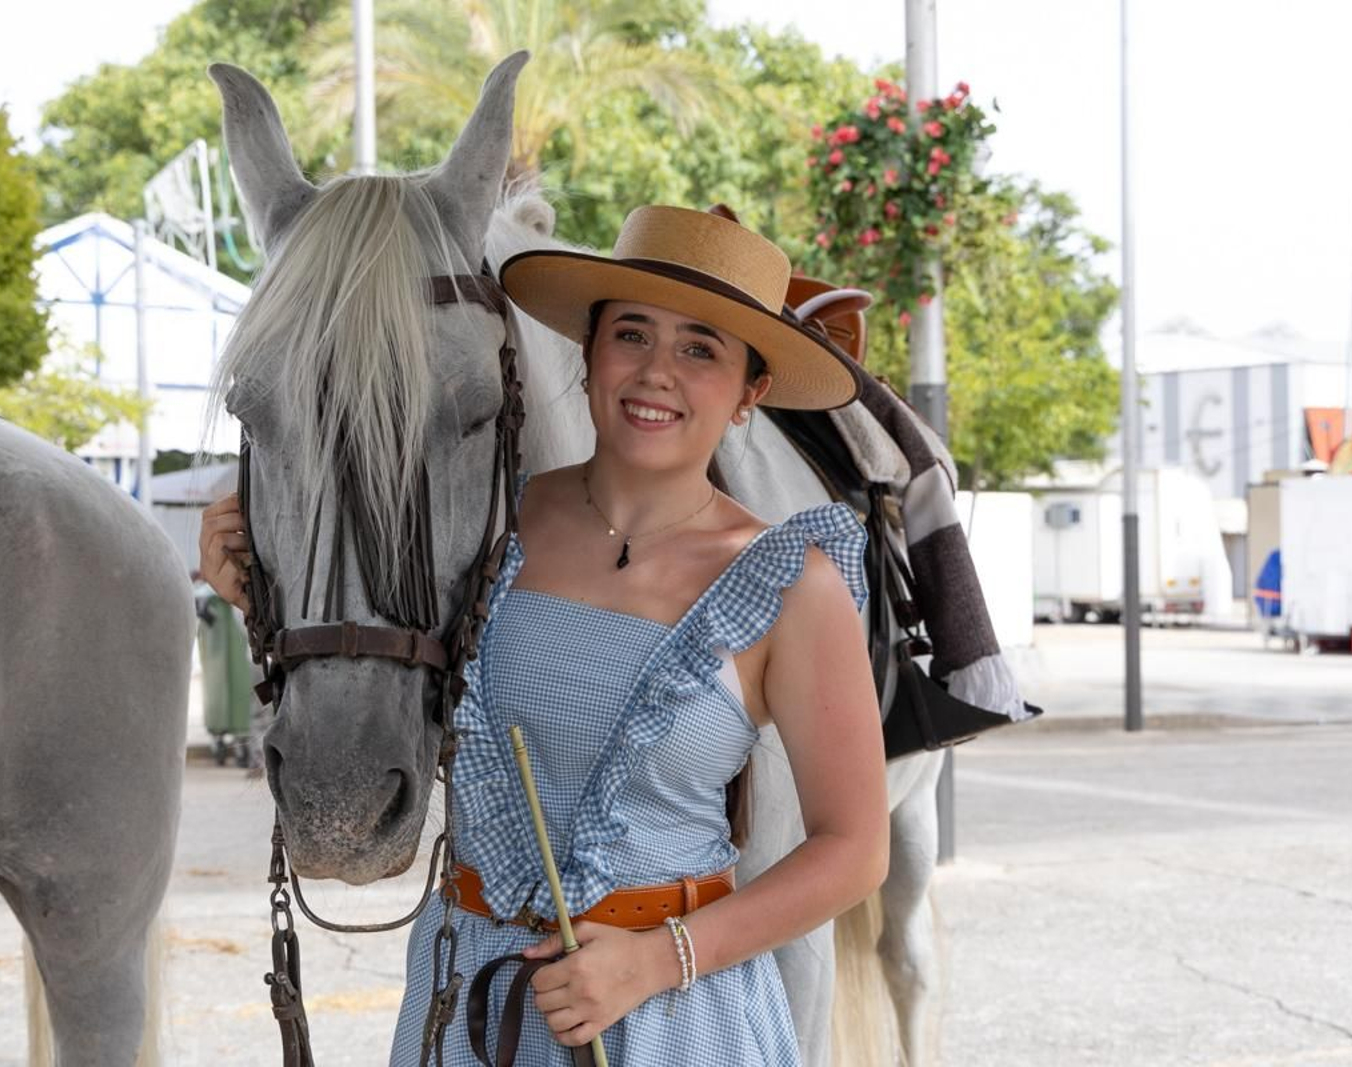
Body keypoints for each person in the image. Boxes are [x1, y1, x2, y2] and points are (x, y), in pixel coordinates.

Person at [199, 205, 888, 1064]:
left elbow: (854, 849)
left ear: (750, 392)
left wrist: (654, 960)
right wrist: (252, 598)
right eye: (631, 333)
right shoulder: (488, 535)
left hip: (675, 1015)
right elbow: (390, 684)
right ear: (590, 352)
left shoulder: (791, 585)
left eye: (701, 349)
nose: (656, 373)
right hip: (468, 1003)